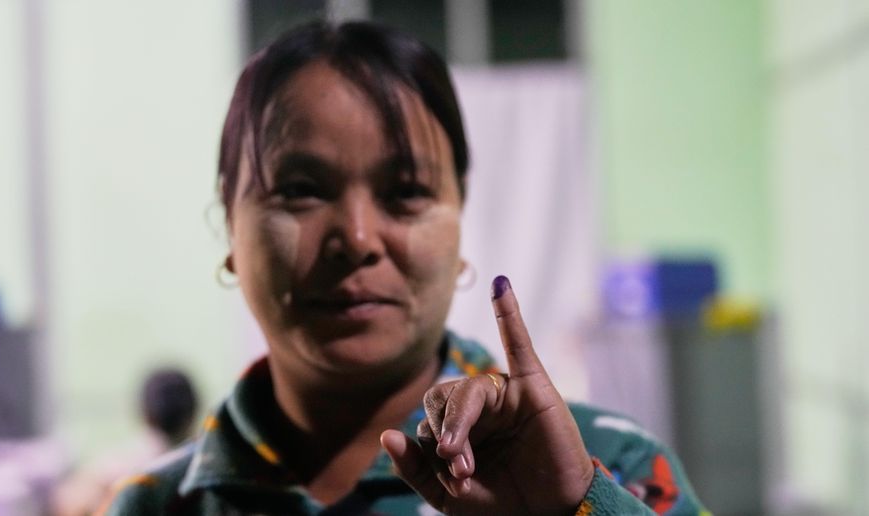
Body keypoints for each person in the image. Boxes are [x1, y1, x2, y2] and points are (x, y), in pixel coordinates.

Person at [101, 20, 708, 515]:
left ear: (460, 221)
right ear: (231, 227)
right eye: (302, 190)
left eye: (406, 192)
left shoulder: (608, 468)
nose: (358, 239)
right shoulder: (155, 506)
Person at [52, 368, 197, 516]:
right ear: (194, 413)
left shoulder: (110, 476)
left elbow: (69, 503)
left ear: (144, 413)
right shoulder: (203, 471)